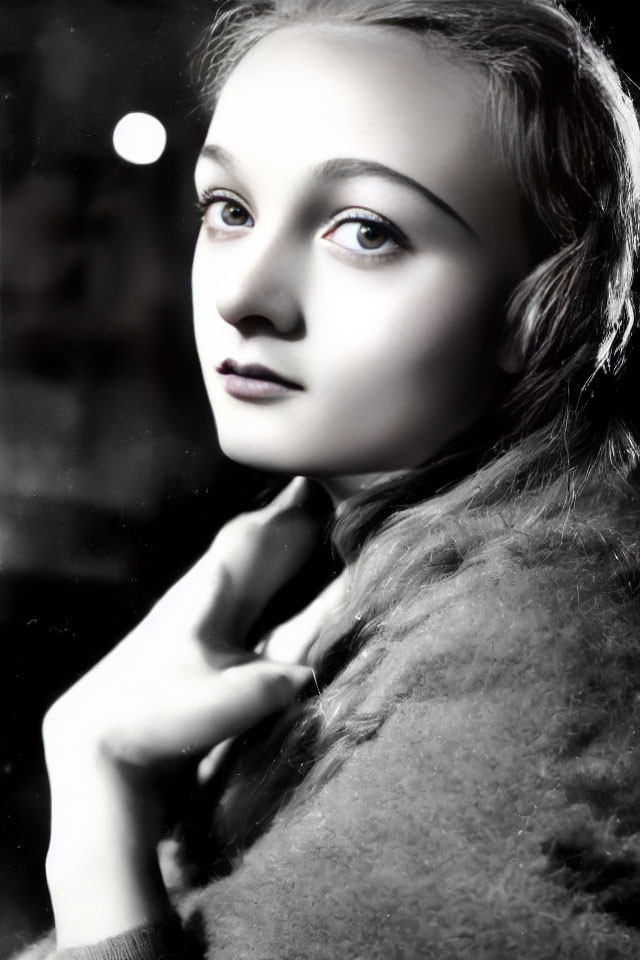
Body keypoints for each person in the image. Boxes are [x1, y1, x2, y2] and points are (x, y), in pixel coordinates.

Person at [21, 0, 640, 957]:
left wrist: (95, 786)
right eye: (228, 211)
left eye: (364, 230)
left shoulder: (535, 648)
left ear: (547, 306)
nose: (240, 295)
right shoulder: (376, 553)